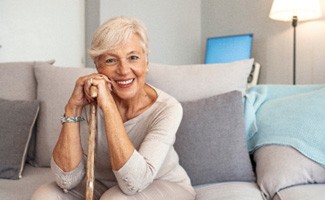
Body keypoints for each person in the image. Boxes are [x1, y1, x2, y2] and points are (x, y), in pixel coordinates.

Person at [31, 16, 196, 200]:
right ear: (97, 67)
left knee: (115, 199)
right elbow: (66, 181)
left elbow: (133, 183)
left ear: (146, 62)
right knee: (44, 196)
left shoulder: (167, 109)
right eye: (111, 60)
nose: (124, 70)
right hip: (103, 186)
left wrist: (108, 106)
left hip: (161, 185)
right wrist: (73, 108)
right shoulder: (87, 100)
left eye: (133, 58)